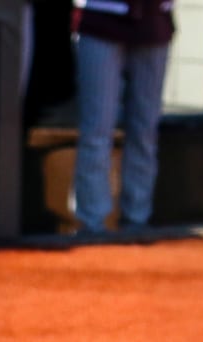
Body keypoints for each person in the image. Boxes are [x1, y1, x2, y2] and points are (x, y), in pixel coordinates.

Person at [71, 0, 174, 234]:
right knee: (96, 129)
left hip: (154, 21)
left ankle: (137, 218)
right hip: (100, 18)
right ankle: (91, 222)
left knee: (145, 130)